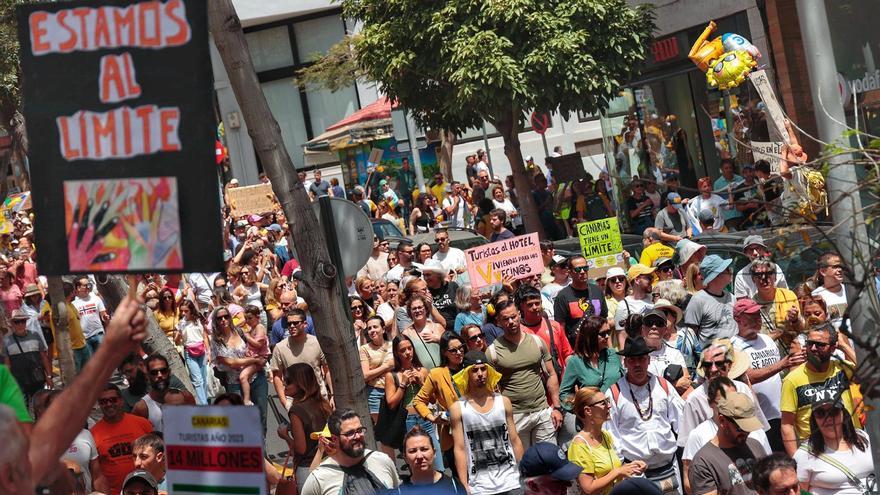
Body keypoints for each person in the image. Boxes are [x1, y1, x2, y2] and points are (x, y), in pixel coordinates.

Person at [605, 337, 683, 494]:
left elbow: (682, 424)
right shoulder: (614, 393)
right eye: (632, 360)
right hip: (635, 473)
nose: (637, 364)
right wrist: (622, 468)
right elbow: (611, 435)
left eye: (641, 359)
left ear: (648, 360)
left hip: (669, 467)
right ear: (625, 362)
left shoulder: (664, 386)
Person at [731, 298, 805, 453]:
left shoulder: (767, 340)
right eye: (751, 315)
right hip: (760, 419)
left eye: (758, 314)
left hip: (782, 413)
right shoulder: (734, 346)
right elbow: (747, 376)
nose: (757, 318)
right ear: (738, 319)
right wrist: (782, 364)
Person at [487, 300, 563, 449]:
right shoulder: (492, 352)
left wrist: (556, 407)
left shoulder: (537, 342)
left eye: (513, 317)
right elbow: (493, 390)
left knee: (549, 460)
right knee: (523, 466)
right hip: (514, 416)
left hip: (542, 412)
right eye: (505, 319)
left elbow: (551, 374)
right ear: (498, 322)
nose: (511, 322)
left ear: (519, 315)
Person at [450, 350, 524, 494]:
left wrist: (523, 473)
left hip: (512, 481)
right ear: (466, 374)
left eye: (483, 369)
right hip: (480, 486)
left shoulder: (503, 402)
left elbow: (515, 440)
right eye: (474, 370)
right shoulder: (458, 408)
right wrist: (464, 484)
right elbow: (459, 448)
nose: (480, 374)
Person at [780, 324, 861, 456]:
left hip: (851, 444)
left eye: (820, 345)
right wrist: (796, 461)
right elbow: (786, 425)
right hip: (817, 453)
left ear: (833, 348)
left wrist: (845, 346)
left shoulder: (842, 368)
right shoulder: (792, 380)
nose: (813, 348)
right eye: (809, 343)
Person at [678, 342, 769, 454]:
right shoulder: (694, 399)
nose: (713, 369)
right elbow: (687, 444)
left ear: (729, 365)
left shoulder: (743, 389)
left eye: (719, 364)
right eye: (707, 365)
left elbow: (759, 429)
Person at [301, 408, 399, 495]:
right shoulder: (319, 478)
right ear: (335, 439)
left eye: (360, 430)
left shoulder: (382, 461)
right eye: (350, 433)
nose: (357, 436)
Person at [688, 392, 767, 495]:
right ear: (722, 421)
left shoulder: (755, 446)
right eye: (740, 428)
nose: (746, 433)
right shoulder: (703, 462)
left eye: (749, 427)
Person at [792, 397, 874, 495]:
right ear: (814, 419)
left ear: (843, 413)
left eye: (833, 411)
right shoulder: (804, 454)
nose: (828, 418)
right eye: (820, 413)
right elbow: (799, 492)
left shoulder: (862, 436)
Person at [382, 335, 442, 468]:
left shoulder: (423, 371)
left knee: (437, 464)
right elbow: (391, 404)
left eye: (410, 348)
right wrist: (403, 384)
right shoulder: (391, 376)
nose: (408, 352)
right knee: (417, 465)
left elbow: (432, 400)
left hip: (425, 418)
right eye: (403, 350)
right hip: (407, 421)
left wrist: (421, 383)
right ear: (397, 353)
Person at [413, 332, 467, 471]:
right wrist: (432, 418)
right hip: (452, 434)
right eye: (453, 350)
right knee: (461, 478)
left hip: (476, 430)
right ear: (444, 353)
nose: (458, 352)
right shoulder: (437, 374)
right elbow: (418, 401)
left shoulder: (471, 368)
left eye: (461, 348)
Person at [210, 306, 269, 430]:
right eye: (219, 318)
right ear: (216, 321)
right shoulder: (216, 341)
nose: (223, 320)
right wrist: (254, 360)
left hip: (256, 378)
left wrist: (260, 358)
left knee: (261, 417)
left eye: (226, 316)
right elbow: (231, 363)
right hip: (235, 384)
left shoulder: (241, 332)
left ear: (230, 318)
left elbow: (257, 346)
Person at [277, 363, 333, 493]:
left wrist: (284, 435)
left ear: (300, 384)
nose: (284, 384)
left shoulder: (296, 411)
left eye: (288, 381)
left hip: (308, 468)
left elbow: (301, 449)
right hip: (329, 463)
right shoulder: (324, 405)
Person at [91, 384, 154, 494]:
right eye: (103, 401)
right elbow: (96, 474)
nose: (109, 404)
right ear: (99, 404)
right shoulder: (93, 434)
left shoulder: (142, 423)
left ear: (121, 401)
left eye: (113, 400)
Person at [270, 308, 330, 409]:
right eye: (289, 324)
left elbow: (327, 370)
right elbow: (277, 377)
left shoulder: (317, 342)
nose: (292, 326)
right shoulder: (280, 348)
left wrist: (331, 395)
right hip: (295, 402)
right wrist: (284, 402)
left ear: (305, 324)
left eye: (295, 323)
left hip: (319, 397)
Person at [517, 284, 572, 379]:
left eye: (537, 303)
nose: (535, 307)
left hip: (561, 382)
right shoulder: (519, 332)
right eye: (530, 304)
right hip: (536, 384)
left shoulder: (554, 326)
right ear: (522, 306)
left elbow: (567, 354)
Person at [684, 255, 737, 346]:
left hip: (736, 354)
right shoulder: (698, 300)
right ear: (717, 275)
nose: (730, 272)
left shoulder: (732, 297)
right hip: (712, 357)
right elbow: (690, 335)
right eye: (727, 269)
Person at [553, 255, 608, 343]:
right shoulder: (562, 296)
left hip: (599, 345)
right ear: (570, 272)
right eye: (578, 269)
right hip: (577, 349)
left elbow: (604, 319)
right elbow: (561, 328)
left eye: (585, 268)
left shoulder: (597, 290)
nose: (582, 272)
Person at [132, 354, 195, 431]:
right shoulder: (142, 408)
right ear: (147, 376)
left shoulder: (186, 397)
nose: (160, 375)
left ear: (169, 372)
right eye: (154, 372)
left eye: (163, 371)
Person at [397, 426, 464, 494]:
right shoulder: (400, 492)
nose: (419, 456)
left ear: (434, 452)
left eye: (424, 449)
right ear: (405, 457)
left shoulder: (455, 487)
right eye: (412, 451)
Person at [4, 309, 51, 400]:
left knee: (40, 405)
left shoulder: (35, 335)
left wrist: (49, 376)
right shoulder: (7, 341)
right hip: (18, 382)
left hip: (37, 379)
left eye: (23, 321)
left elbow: (44, 357)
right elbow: (7, 365)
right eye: (17, 322)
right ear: (12, 324)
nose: (21, 324)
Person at [359, 315, 393, 424]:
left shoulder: (393, 346)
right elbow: (365, 376)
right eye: (369, 328)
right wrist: (386, 367)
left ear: (383, 329)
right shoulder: (364, 349)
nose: (372, 330)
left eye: (375, 327)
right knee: (381, 428)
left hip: (394, 390)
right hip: (375, 393)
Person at [177, 299, 211, 405]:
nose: (183, 313)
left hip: (201, 350)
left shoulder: (198, 320)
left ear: (191, 310)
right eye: (182, 311)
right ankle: (204, 405)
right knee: (197, 380)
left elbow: (205, 336)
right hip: (189, 351)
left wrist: (208, 352)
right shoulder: (181, 323)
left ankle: (203, 401)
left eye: (186, 311)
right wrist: (179, 332)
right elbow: (177, 341)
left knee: (204, 379)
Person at [612, 264, 655, 342]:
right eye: (649, 278)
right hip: (640, 351)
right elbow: (622, 337)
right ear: (637, 280)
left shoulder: (654, 298)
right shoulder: (623, 306)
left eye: (652, 278)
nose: (652, 281)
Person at [402, 294, 445, 369]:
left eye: (420, 307)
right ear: (410, 312)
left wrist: (438, 339)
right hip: (423, 376)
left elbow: (451, 346)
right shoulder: (406, 333)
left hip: (442, 372)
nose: (417, 310)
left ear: (426, 309)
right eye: (414, 309)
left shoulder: (437, 327)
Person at [239, 305, 271, 405]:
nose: (248, 321)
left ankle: (247, 399)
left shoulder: (259, 327)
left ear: (257, 317)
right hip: (253, 357)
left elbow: (258, 344)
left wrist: (247, 336)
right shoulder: (251, 328)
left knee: (243, 376)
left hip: (260, 358)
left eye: (250, 318)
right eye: (246, 318)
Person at [72, 276, 109, 355]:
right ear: (78, 288)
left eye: (89, 284)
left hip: (99, 335)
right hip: (84, 339)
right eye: (85, 285)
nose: (88, 287)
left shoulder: (96, 299)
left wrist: (106, 318)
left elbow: (103, 315)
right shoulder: (73, 304)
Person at [810, 252, 847, 329]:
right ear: (823, 271)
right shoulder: (816, 296)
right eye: (835, 267)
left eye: (841, 266)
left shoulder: (851, 290)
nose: (840, 269)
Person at [423, 259, 459, 332]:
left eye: (428, 275)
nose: (426, 278)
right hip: (437, 330)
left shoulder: (452, 286)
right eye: (424, 275)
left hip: (457, 327)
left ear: (439, 274)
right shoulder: (425, 291)